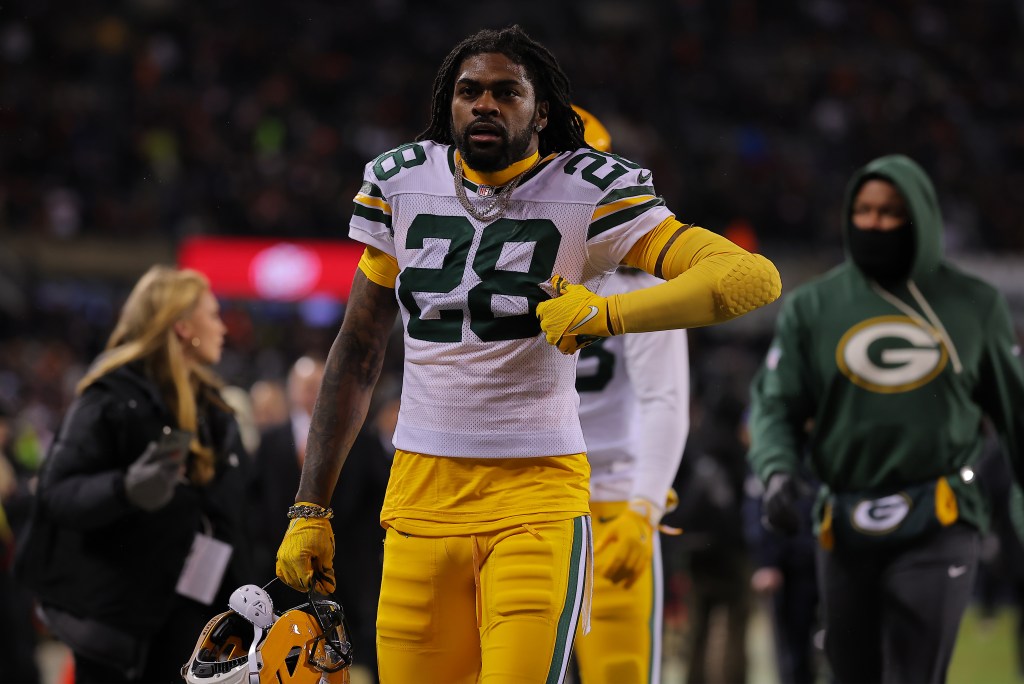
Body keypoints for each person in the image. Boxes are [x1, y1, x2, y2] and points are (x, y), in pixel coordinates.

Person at [274, 25, 781, 684]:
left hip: (536, 497)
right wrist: (310, 506)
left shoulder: (589, 189)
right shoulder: (400, 178)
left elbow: (751, 279)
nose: (484, 104)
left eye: (506, 92)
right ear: (448, 103)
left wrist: (609, 313)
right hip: (419, 497)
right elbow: (360, 347)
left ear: (541, 112)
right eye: (469, 91)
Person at [747, 154, 1024, 684]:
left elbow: (1017, 416)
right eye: (865, 210)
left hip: (941, 517)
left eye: (891, 212)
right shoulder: (814, 307)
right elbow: (776, 404)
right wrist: (777, 470)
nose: (874, 223)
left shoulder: (973, 305)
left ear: (921, 215)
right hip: (844, 524)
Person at [12, 265, 254, 683]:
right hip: (116, 624)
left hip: (187, 621)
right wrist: (123, 490)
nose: (223, 328)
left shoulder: (215, 410)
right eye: (213, 315)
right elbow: (55, 493)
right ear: (181, 326)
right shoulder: (111, 396)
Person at [567, 105, 690, 684]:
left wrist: (643, 507)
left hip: (609, 500)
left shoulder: (637, 271)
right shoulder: (495, 261)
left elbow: (665, 398)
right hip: (519, 498)